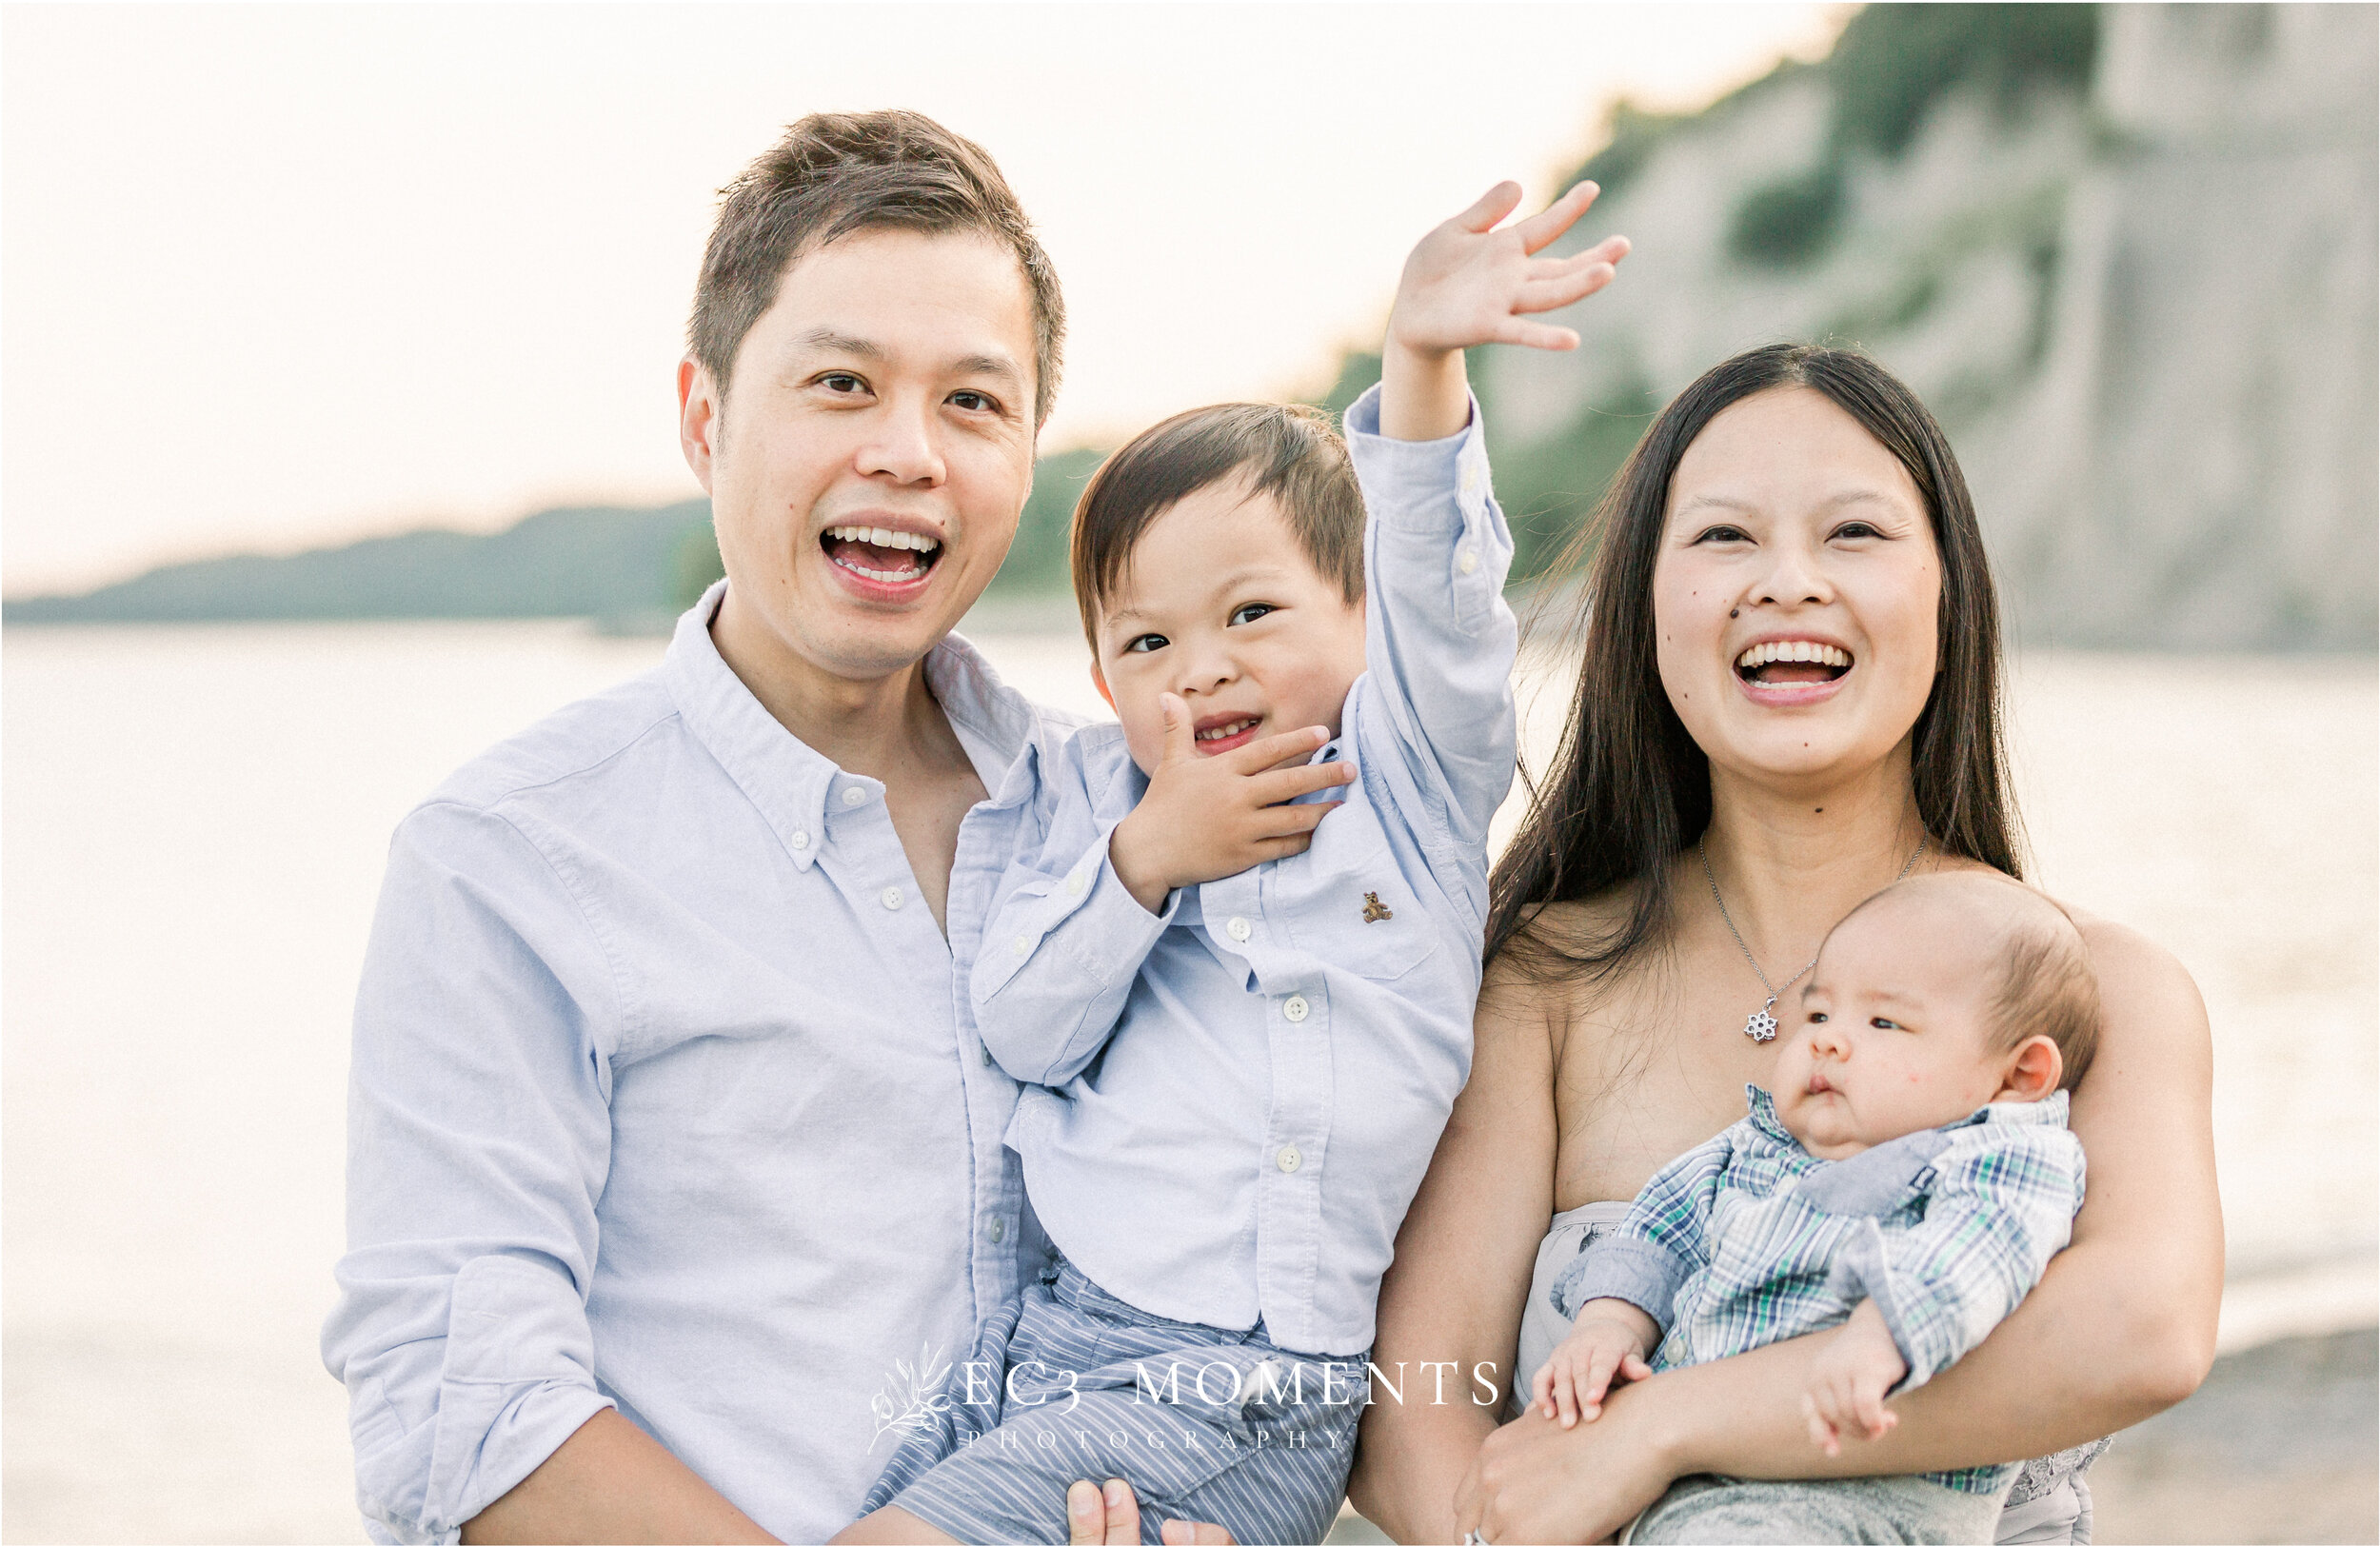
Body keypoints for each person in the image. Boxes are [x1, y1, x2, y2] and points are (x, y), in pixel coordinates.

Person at [323, 109, 1114, 1545]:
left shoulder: (1126, 821)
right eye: (840, 381)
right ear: (705, 418)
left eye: (974, 404)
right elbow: (465, 1403)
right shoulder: (509, 857)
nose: (907, 452)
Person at [840, 181, 1631, 1546]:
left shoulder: (1411, 781)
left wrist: (1423, 367)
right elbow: (1022, 1024)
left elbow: (1448, 598)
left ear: (1359, 617)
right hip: (1046, 1340)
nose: (1200, 666)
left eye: (1251, 614)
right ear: (1099, 673)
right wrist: (1150, 861)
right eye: (1146, 645)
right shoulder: (1093, 804)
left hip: (1241, 1390)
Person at [1346, 344, 2222, 1546]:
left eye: (1854, 533)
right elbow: (1412, 1417)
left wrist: (1662, 1425)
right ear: (1644, 602)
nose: (1789, 582)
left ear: (1946, 591)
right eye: (1722, 539)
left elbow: (2145, 1327)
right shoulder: (1539, 981)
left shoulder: (2095, 990)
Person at [1534, 872, 2098, 1542]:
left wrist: (1881, 1331)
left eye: (1884, 1021)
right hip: (1687, 1483)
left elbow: (1981, 1249)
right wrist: (1608, 1325)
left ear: (2019, 1075)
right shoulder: (1752, 1147)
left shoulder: (1998, 1156)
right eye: (1820, 1015)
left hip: (1867, 1491)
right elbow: (1659, 1232)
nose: (1828, 1041)